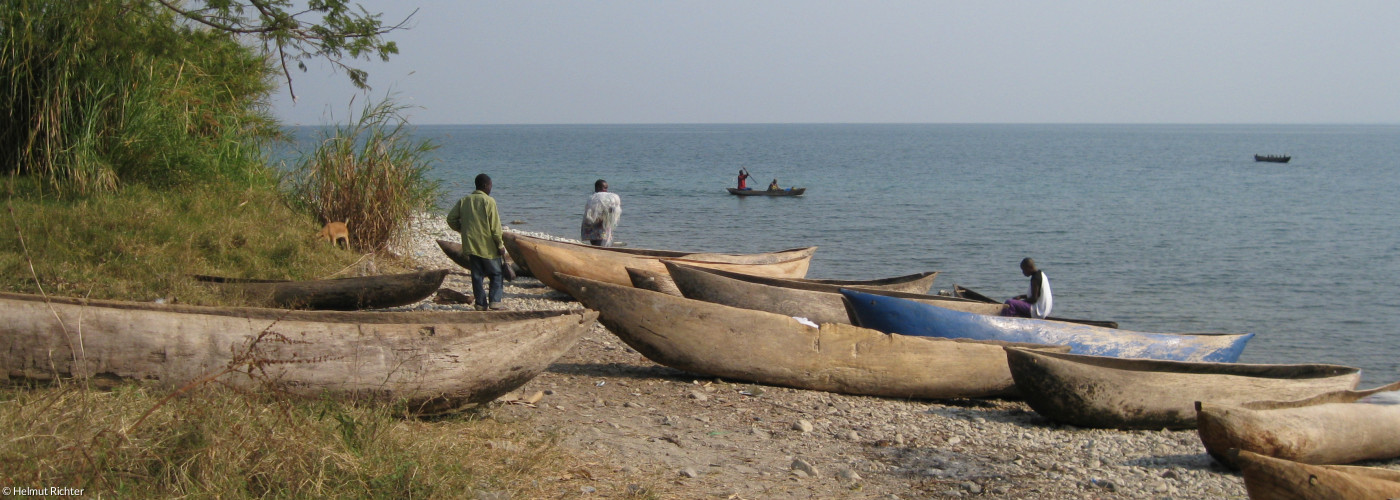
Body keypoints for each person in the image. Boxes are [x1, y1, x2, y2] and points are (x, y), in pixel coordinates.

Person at [447, 173, 506, 310]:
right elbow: (495, 227)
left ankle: (480, 304)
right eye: (490, 185)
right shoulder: (489, 201)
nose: (491, 188)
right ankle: (495, 302)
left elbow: (450, 219)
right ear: (485, 186)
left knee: (477, 275)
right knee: (496, 273)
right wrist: (500, 245)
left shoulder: (465, 200)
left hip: (471, 245)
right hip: (488, 246)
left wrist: (463, 229)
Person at [580, 179, 622, 247]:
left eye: (607, 188)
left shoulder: (593, 198)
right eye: (604, 188)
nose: (606, 190)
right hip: (597, 226)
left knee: (598, 242)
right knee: (599, 242)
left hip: (600, 226)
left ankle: (600, 249)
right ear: (598, 188)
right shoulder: (594, 199)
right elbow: (590, 215)